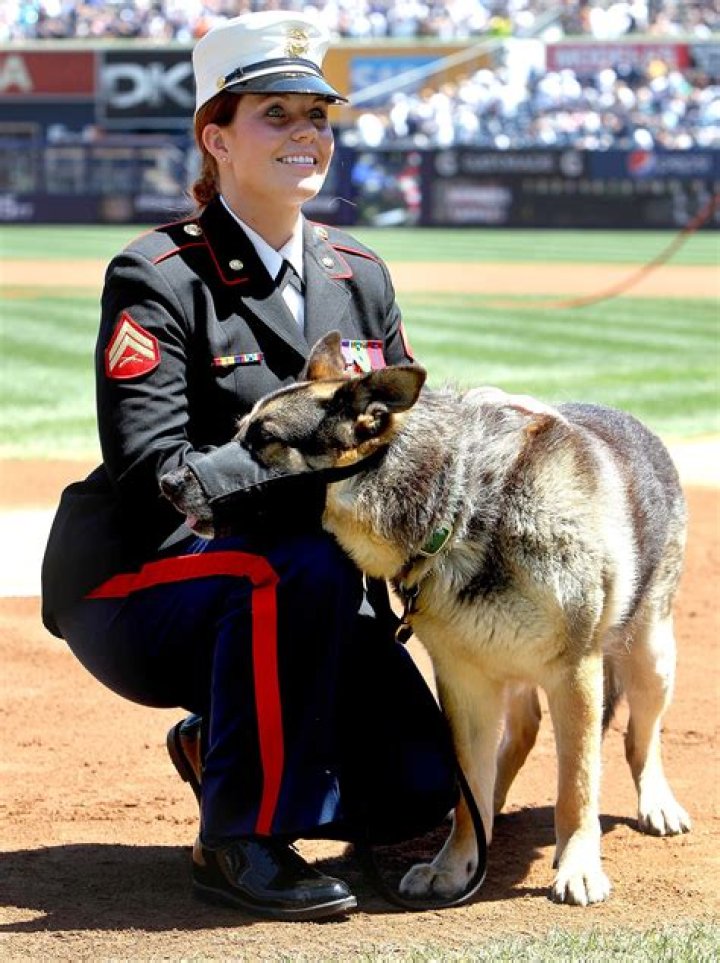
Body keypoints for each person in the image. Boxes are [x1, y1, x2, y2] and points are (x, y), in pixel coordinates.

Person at [41, 10, 417, 923]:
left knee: (416, 797)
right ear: (217, 136)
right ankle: (237, 838)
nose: (305, 135)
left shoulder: (360, 271)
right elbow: (154, 473)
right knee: (289, 564)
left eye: (316, 116)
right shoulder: (159, 274)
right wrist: (314, 453)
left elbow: (404, 439)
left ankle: (219, 742)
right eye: (276, 115)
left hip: (311, 587)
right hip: (147, 580)